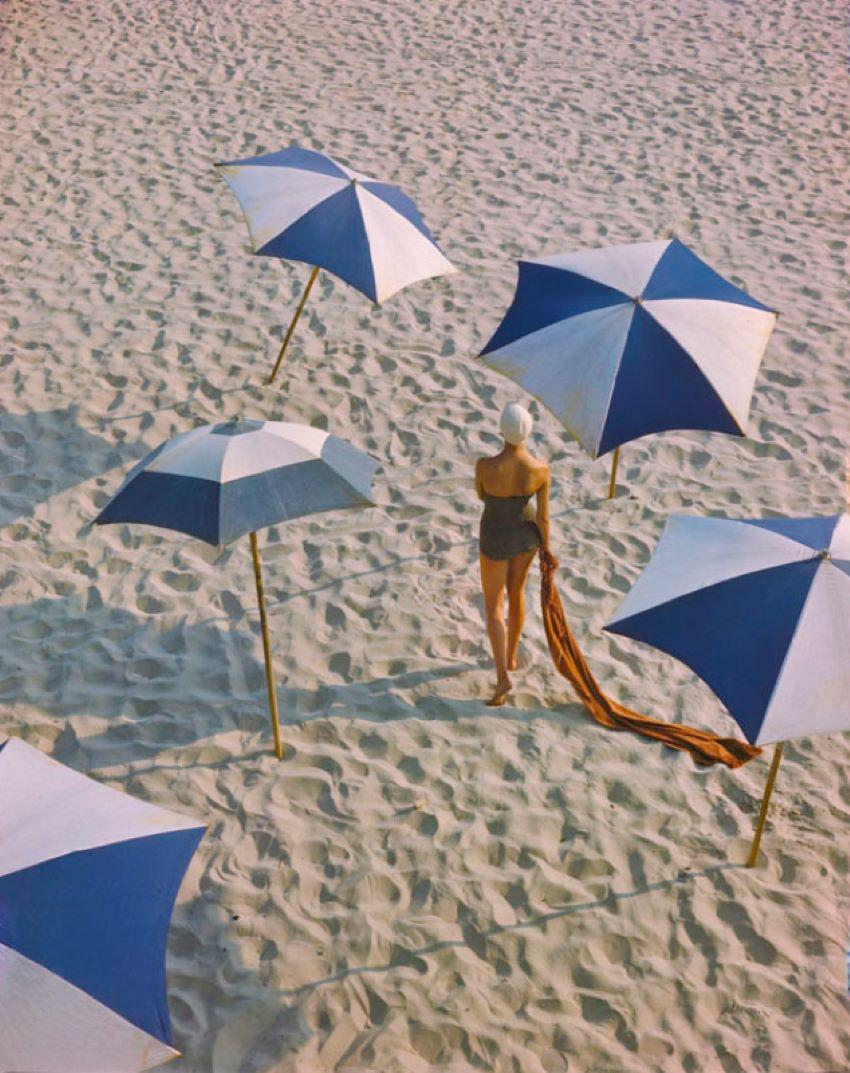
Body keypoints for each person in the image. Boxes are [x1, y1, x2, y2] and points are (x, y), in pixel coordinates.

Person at [476, 403, 550, 706]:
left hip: (495, 531)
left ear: (501, 430)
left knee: (494, 604)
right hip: (527, 533)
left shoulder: (485, 466)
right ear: (528, 432)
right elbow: (543, 517)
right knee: (516, 592)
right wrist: (547, 547)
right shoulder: (541, 469)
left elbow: (482, 495)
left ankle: (502, 677)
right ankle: (511, 657)